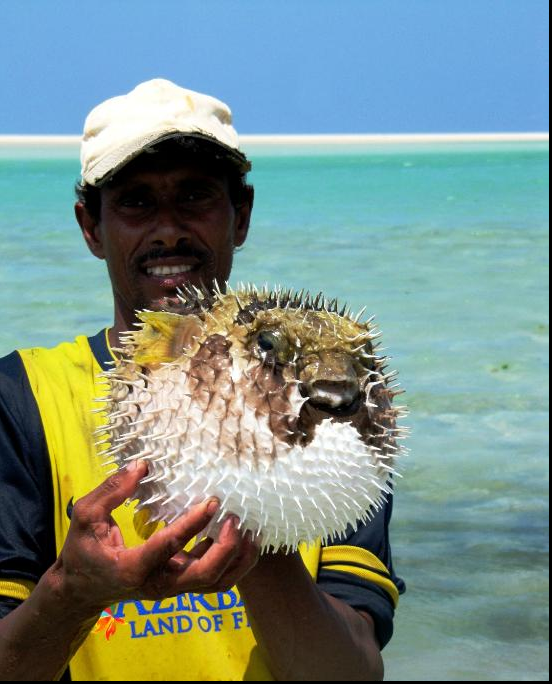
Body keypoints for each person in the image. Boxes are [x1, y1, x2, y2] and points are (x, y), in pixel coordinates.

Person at [0, 79, 404, 681]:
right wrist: (73, 591)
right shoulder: (21, 396)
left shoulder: (330, 397)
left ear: (239, 215)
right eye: (136, 201)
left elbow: (350, 672)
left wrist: (257, 549)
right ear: (91, 226)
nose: (167, 229)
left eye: (195, 196)